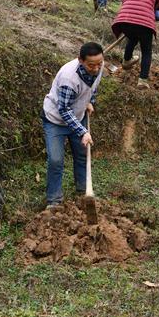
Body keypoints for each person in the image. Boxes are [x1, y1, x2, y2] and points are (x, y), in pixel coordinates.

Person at [42, 42, 104, 208]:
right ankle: (54, 201)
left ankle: (84, 192)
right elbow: (63, 109)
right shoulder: (68, 79)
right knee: (56, 160)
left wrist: (90, 101)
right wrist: (83, 132)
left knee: (83, 154)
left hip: (78, 115)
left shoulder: (98, 66)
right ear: (80, 60)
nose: (97, 68)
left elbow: (94, 86)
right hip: (56, 120)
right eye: (92, 65)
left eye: (99, 63)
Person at [111, 0, 159, 89]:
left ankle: (126, 61)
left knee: (132, 38)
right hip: (145, 22)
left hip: (125, 18)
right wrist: (153, 9)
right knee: (146, 51)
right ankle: (142, 80)